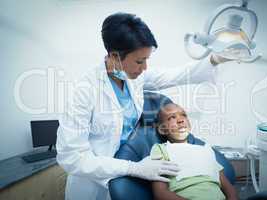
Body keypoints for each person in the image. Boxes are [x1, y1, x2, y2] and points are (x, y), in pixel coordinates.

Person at [56, 12, 228, 200]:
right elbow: (72, 157)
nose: (145, 68)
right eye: (139, 61)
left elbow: (175, 75)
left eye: (146, 60)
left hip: (130, 172)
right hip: (94, 182)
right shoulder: (84, 91)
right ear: (115, 56)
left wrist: (214, 60)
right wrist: (134, 167)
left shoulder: (133, 77)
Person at [151, 103, 238, 200]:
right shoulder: (161, 149)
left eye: (183, 115)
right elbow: (160, 193)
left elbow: (228, 187)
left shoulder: (205, 150)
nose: (180, 120)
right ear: (162, 129)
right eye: (172, 117)